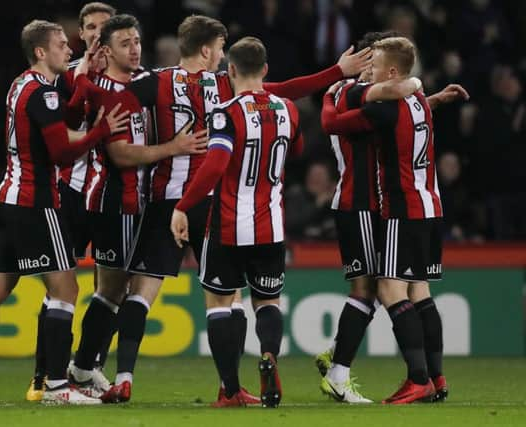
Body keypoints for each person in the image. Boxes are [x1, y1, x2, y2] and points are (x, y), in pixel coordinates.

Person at [99, 14, 372, 405]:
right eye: (221, 47)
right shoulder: (226, 85)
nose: (223, 55)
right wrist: (335, 72)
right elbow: (285, 90)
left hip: (167, 199)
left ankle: (123, 377)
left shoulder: (155, 81)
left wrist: (107, 115)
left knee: (141, 294)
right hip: (217, 205)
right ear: (210, 51)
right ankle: (235, 383)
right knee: (237, 299)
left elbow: (114, 97)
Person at [0, 19, 129, 405]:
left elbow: (60, 120)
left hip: (7, 198)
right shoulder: (44, 94)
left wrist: (82, 81)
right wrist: (101, 132)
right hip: (36, 203)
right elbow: (60, 149)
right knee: (67, 288)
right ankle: (57, 387)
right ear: (41, 51)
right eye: (61, 45)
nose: (68, 49)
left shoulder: (23, 84)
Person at [65, 13, 207, 400]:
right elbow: (121, 154)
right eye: (126, 43)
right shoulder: (109, 92)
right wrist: (173, 149)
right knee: (112, 289)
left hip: (146, 202)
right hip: (116, 200)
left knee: (121, 290)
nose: (135, 48)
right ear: (107, 51)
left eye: (137, 41)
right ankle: (81, 367)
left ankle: (85, 365)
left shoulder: (147, 81)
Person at [171, 36, 303, 408]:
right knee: (267, 301)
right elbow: (300, 148)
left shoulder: (225, 112)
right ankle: (269, 356)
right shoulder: (288, 109)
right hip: (271, 225)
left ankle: (230, 389)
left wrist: (183, 205)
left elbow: (214, 164)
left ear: (230, 70)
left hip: (228, 224)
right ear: (265, 70)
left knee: (218, 302)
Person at [321, 36, 451, 404]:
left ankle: (416, 379)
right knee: (418, 289)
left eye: (375, 63)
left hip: (397, 207)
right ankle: (435, 378)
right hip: (429, 204)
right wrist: (427, 92)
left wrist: (328, 96)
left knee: (386, 290)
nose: (370, 70)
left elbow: (331, 123)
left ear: (390, 72)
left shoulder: (383, 105)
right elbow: (413, 93)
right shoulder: (416, 102)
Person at [26, 2, 117, 402]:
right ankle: (43, 376)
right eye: (91, 27)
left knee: (112, 286)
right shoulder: (67, 75)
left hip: (114, 196)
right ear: (82, 32)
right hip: (74, 193)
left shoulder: (131, 78)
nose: (98, 34)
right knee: (60, 285)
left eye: (105, 27)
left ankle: (87, 366)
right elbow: (64, 130)